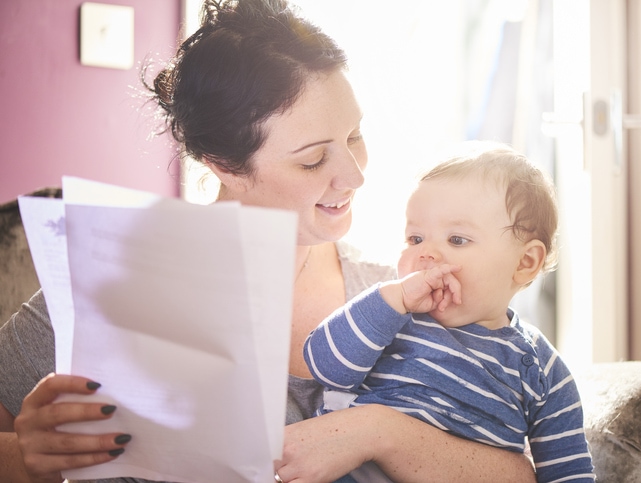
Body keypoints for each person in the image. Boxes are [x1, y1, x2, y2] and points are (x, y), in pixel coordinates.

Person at [0, 1, 537, 483]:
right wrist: (28, 457)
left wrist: (380, 431)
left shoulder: (399, 294)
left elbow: (518, 471)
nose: (353, 176)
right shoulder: (104, 286)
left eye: (354, 136)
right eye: (312, 158)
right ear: (224, 165)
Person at [304, 142, 596, 482]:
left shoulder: (541, 370)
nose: (427, 254)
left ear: (524, 262)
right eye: (415, 239)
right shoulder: (394, 317)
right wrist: (392, 298)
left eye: (456, 240)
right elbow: (324, 367)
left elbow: (569, 472)